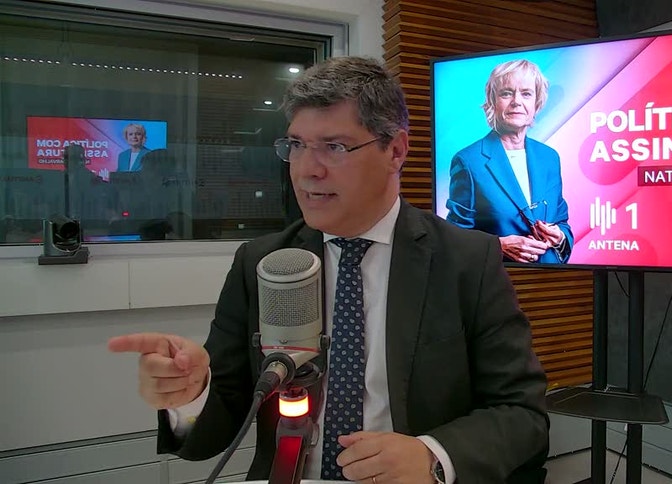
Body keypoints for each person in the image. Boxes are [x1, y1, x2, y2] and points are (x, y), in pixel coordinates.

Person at [108, 56, 549, 483]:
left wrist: (432, 457)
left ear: (395, 150)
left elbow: (522, 414)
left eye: (335, 147)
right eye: (296, 146)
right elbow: (213, 431)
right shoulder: (261, 263)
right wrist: (190, 395)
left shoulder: (465, 260)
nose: (306, 171)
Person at [445, 59, 574, 264]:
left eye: (526, 93)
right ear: (492, 102)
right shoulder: (468, 161)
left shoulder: (549, 157)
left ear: (536, 103)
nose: (516, 101)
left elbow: (562, 222)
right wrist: (498, 246)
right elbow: (453, 240)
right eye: (506, 93)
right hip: (499, 278)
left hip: (549, 279)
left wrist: (559, 237)